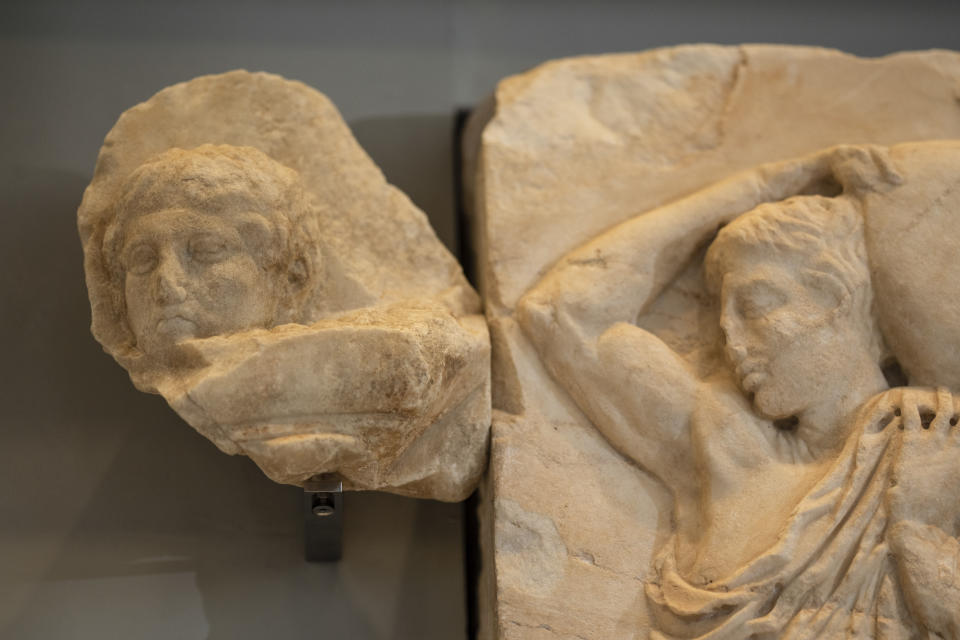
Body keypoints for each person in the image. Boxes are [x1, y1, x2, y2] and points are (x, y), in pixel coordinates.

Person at [517, 144, 960, 638]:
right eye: (724, 315)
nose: (728, 336)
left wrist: (920, 534)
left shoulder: (938, 447)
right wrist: (762, 181)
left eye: (754, 305)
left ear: (839, 295)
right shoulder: (727, 448)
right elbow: (562, 313)